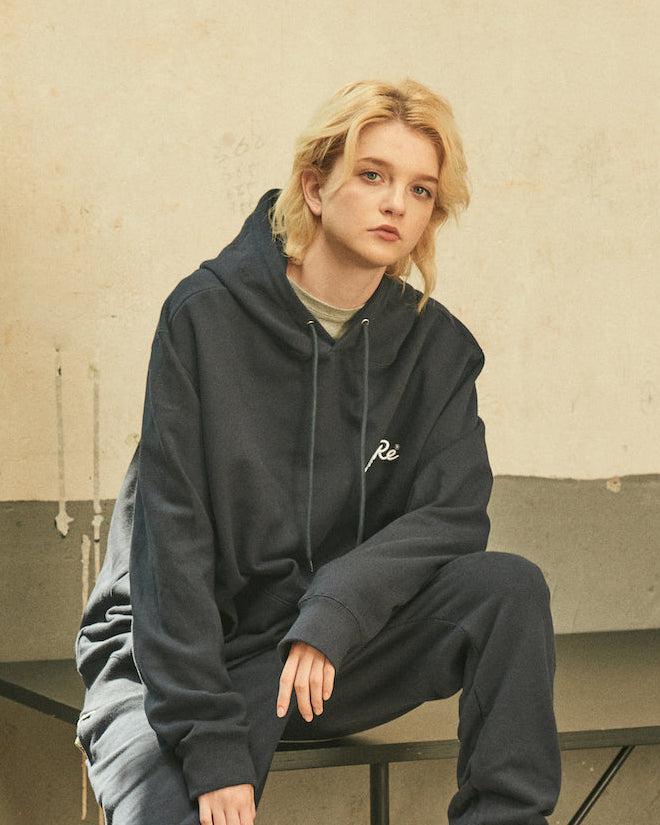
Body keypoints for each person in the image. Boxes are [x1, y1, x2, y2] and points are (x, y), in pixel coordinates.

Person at [75, 78, 561, 825]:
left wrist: (338, 607)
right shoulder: (205, 318)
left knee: (508, 588)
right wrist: (211, 746)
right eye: (372, 175)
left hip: (323, 652)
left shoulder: (436, 352)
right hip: (178, 661)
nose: (396, 204)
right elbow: (172, 550)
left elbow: (453, 514)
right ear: (315, 186)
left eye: (420, 190)